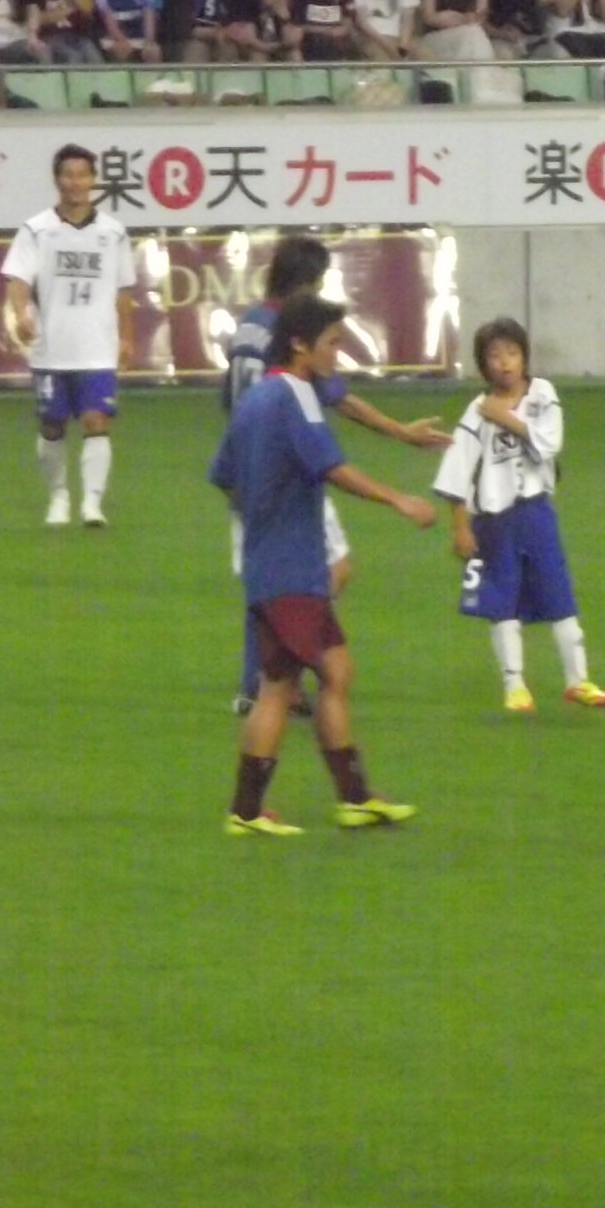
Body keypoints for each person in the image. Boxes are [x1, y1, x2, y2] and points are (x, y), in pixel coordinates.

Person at [207, 296, 434, 837]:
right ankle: (246, 811)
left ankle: (354, 798)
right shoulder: (297, 397)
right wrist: (398, 499)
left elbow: (223, 475)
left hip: (277, 565)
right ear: (299, 345)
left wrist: (261, 515)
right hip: (291, 571)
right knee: (279, 687)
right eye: (332, 343)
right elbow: (331, 467)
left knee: (336, 672)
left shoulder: (255, 400)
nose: (337, 353)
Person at [218, 233, 452, 712]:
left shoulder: (249, 326)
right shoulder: (292, 339)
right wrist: (399, 471)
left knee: (270, 581)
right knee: (325, 573)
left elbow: (233, 404)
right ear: (304, 283)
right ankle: (274, 677)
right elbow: (336, 412)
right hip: (285, 475)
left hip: (247, 468)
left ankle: (262, 682)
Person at [433, 317, 605, 714]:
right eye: (494, 355)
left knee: (559, 594)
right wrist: (460, 526)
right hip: (494, 521)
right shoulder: (476, 411)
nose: (504, 362)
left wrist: (507, 418)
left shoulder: (542, 394)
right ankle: (514, 685)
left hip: (536, 512)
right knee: (503, 602)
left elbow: (550, 443)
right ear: (483, 364)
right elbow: (457, 468)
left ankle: (578, 680)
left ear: (524, 357)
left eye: (512, 353)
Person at [2, 145, 136, 528]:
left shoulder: (113, 232)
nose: (75, 183)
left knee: (96, 421)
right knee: (52, 426)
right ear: (57, 179)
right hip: (51, 348)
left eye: (82, 175)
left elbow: (123, 291)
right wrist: (21, 313)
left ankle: (92, 504)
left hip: (97, 347)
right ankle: (58, 496)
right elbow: (18, 279)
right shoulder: (36, 229)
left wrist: (127, 337)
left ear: (94, 180)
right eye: (68, 175)